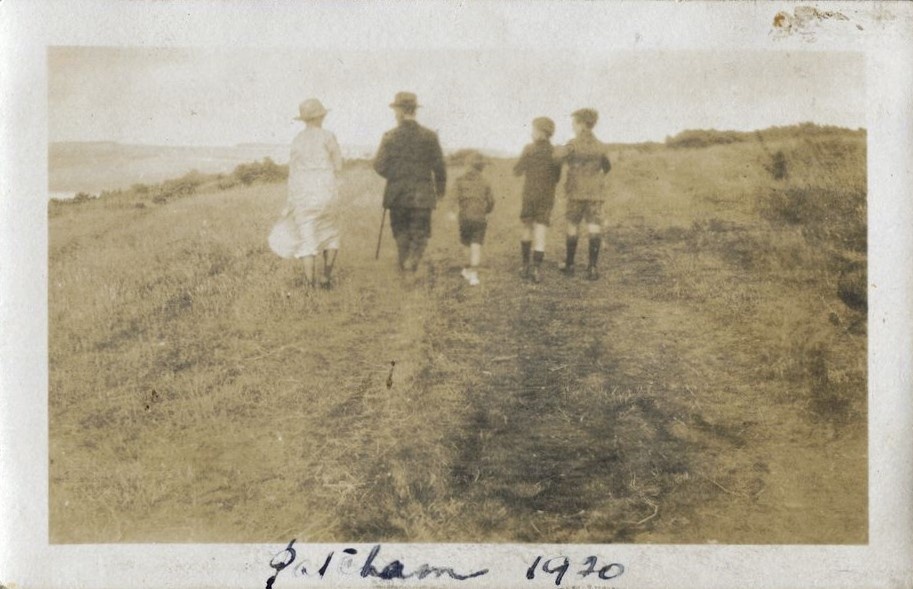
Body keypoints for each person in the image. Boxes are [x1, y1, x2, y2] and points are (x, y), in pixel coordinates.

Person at [274, 98, 344, 291]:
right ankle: (326, 277)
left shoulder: (297, 140)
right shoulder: (328, 136)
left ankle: (309, 285)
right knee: (331, 233)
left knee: (307, 237)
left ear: (304, 120)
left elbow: (293, 173)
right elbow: (338, 165)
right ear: (321, 116)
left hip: (304, 193)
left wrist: (290, 203)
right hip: (326, 191)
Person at [373, 92, 447, 273]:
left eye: (395, 110)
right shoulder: (429, 136)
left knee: (400, 232)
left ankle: (405, 266)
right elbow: (439, 167)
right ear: (414, 110)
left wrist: (395, 175)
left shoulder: (390, 136)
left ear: (399, 111)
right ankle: (411, 263)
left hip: (397, 194)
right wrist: (440, 191)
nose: (394, 114)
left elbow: (378, 165)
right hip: (423, 194)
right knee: (420, 233)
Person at [559, 108, 611, 281]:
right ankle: (592, 268)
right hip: (595, 194)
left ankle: (570, 264)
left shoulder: (572, 144)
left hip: (575, 193)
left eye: (574, 123)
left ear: (581, 124)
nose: (572, 127)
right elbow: (607, 167)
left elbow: (558, 158)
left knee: (572, 226)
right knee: (594, 227)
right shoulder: (601, 145)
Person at [514, 116, 562, 283]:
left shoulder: (528, 149)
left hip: (529, 195)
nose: (531, 133)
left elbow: (517, 171)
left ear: (542, 132)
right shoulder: (555, 152)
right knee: (541, 230)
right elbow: (557, 177)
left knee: (527, 228)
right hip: (546, 196)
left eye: (533, 129)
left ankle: (525, 265)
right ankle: (537, 269)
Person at [453, 152, 495, 286]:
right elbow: (491, 201)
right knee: (476, 245)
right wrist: (487, 211)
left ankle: (466, 268)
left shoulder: (459, 180)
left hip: (464, 217)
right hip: (480, 217)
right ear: (482, 167)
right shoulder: (485, 181)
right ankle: (474, 275)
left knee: (466, 244)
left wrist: (453, 211)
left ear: (467, 165)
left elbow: (454, 198)